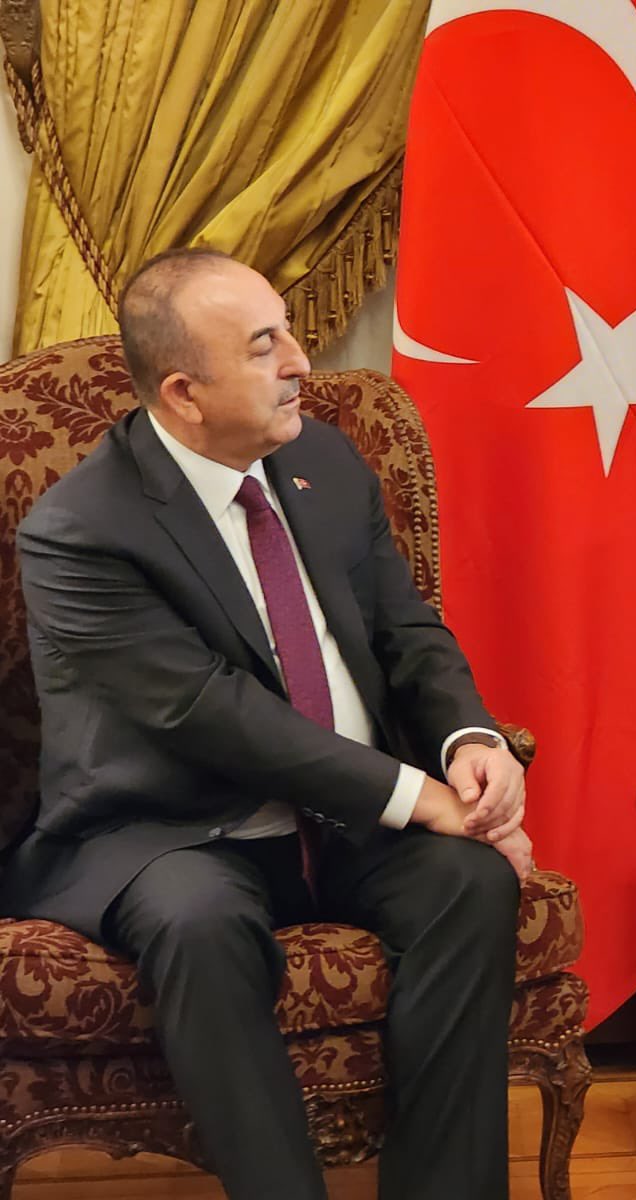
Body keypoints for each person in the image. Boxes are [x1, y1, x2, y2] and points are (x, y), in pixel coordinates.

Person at [0, 248, 536, 1200]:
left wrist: (470, 742)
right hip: (174, 829)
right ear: (184, 393)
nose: (300, 362)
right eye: (263, 347)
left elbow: (407, 631)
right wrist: (421, 799)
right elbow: (213, 713)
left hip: (346, 820)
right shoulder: (82, 532)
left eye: (286, 331)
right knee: (199, 922)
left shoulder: (323, 460)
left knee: (469, 884)